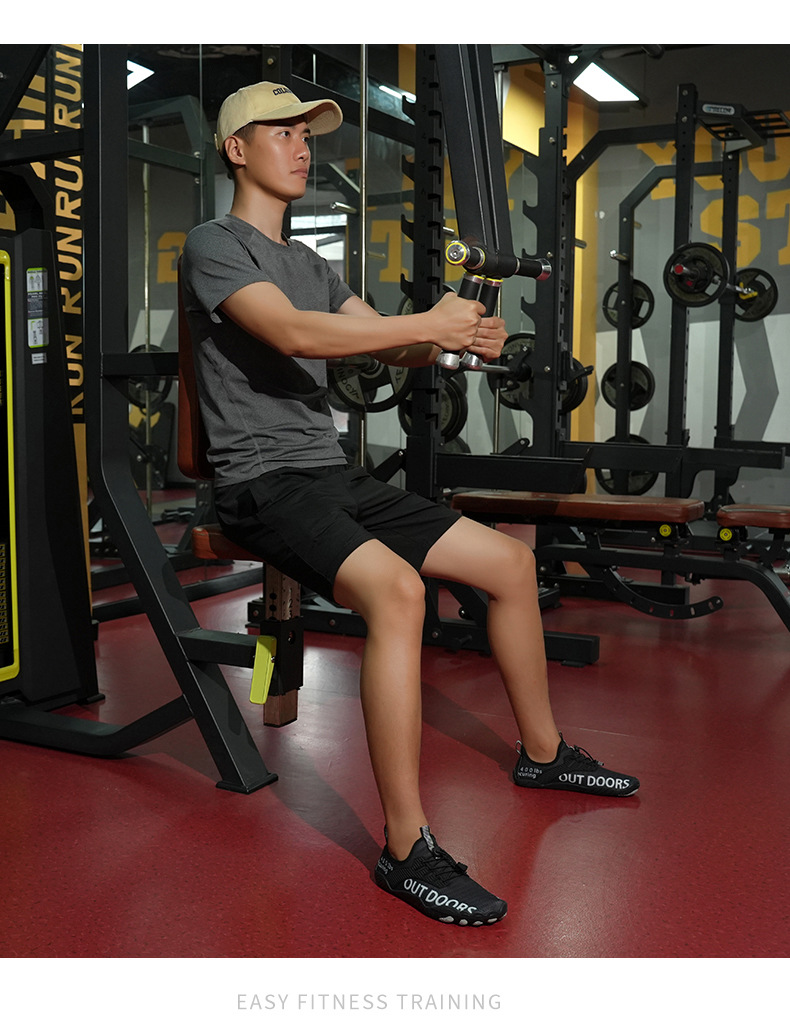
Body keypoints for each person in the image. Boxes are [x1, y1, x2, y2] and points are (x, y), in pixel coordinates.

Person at [180, 80, 639, 928]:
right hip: (261, 483)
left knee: (508, 561)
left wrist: (458, 338)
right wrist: (424, 324)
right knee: (398, 592)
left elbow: (390, 346)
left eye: (307, 134)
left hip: (330, 473)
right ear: (236, 149)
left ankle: (542, 753)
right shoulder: (215, 244)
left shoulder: (313, 263)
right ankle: (404, 846)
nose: (301, 146)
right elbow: (296, 333)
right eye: (281, 132)